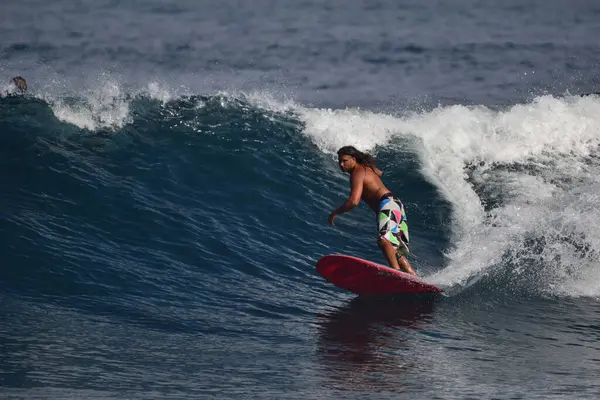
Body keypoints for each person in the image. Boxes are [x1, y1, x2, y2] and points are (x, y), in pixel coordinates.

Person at [328, 146, 417, 275]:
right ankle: (411, 274)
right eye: (339, 161)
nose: (341, 164)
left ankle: (396, 273)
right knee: (392, 248)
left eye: (345, 161)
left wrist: (335, 213)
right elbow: (379, 173)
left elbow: (354, 201)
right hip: (395, 204)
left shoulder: (357, 172)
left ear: (353, 159)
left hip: (387, 204)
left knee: (384, 240)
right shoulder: (366, 167)